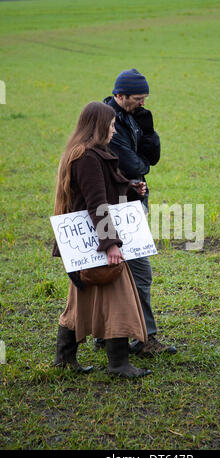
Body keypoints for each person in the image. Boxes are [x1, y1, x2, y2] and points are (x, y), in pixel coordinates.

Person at [52, 101, 152, 378]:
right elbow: (97, 204)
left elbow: (101, 193)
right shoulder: (87, 158)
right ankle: (118, 364)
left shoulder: (88, 153)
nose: (112, 130)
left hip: (85, 246)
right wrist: (110, 246)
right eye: (110, 125)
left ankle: (64, 359)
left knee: (79, 300)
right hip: (95, 242)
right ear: (98, 127)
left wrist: (130, 190)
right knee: (119, 300)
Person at [94, 68, 177, 357]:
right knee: (136, 272)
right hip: (115, 208)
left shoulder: (133, 116)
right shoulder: (106, 120)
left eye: (145, 98)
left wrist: (149, 130)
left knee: (120, 272)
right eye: (137, 99)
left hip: (130, 200)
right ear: (119, 95)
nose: (142, 103)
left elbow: (150, 158)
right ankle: (144, 338)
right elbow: (134, 166)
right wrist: (141, 164)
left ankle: (109, 335)